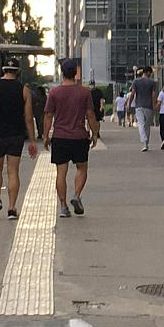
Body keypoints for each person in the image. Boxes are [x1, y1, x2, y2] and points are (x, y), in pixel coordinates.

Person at [0, 64, 39, 220]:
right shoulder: (23, 89)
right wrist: (32, 140)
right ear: (17, 72)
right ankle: (12, 208)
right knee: (13, 171)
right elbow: (28, 117)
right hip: (16, 135)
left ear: (3, 70)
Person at [45, 56, 100, 218]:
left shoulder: (54, 92)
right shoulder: (84, 92)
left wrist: (46, 135)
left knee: (60, 173)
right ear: (75, 72)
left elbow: (48, 115)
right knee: (81, 168)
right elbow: (90, 114)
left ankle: (63, 207)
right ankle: (76, 195)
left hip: (60, 137)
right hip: (79, 136)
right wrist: (94, 133)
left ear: (62, 73)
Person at [130, 66, 159, 151]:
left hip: (139, 105)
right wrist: (154, 105)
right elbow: (153, 95)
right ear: (148, 72)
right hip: (149, 107)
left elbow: (133, 93)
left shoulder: (136, 81)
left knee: (141, 124)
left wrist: (128, 103)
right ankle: (145, 144)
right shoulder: (152, 82)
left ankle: (144, 141)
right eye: (151, 73)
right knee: (147, 126)